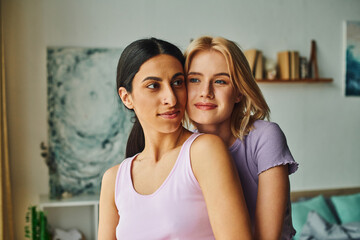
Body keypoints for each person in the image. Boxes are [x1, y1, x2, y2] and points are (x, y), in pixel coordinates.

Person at [97, 38, 252, 239]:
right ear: (126, 97)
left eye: (177, 83)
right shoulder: (114, 180)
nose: (171, 99)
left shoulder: (204, 152)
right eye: (153, 85)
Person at [184, 36, 299, 240]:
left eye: (220, 81)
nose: (205, 92)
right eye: (194, 80)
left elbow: (266, 237)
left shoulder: (265, 137)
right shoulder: (184, 149)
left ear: (238, 92)